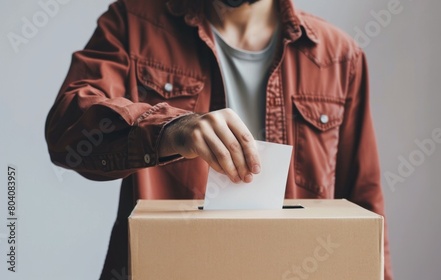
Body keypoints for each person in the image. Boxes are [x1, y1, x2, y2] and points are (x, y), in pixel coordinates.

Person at [45, 0, 393, 279]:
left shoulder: (339, 57)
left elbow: (364, 203)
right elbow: (67, 130)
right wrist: (169, 129)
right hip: (166, 267)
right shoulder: (133, 22)